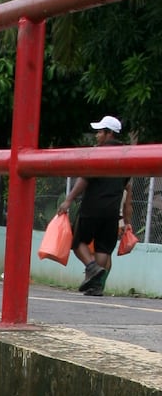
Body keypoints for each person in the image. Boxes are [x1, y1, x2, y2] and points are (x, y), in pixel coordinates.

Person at [60, 115, 131, 297]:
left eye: (100, 132)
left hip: (93, 206)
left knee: (78, 242)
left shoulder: (99, 152)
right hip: (112, 211)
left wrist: (69, 200)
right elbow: (126, 189)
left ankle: (91, 268)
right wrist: (126, 219)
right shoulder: (127, 155)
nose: (97, 136)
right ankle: (96, 286)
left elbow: (84, 178)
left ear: (109, 134)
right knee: (103, 248)